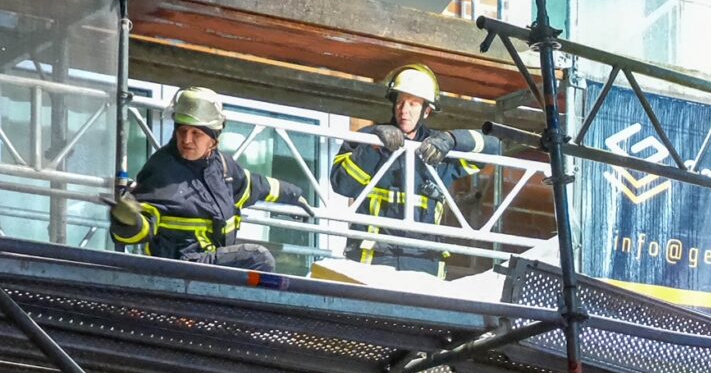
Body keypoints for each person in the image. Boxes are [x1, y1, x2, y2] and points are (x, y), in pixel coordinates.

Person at [113, 87, 307, 272]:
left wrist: (294, 195)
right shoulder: (161, 171)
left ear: (213, 139)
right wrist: (128, 222)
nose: (187, 140)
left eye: (196, 133)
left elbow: (253, 185)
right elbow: (140, 228)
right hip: (177, 271)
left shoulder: (222, 167)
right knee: (258, 258)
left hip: (208, 266)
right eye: (182, 131)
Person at [329, 63, 498, 275]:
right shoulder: (366, 138)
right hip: (372, 260)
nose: (404, 111)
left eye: (413, 104)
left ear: (427, 111)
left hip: (424, 263)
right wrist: (373, 147)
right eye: (400, 102)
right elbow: (342, 185)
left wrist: (452, 139)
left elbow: (493, 147)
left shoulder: (438, 148)